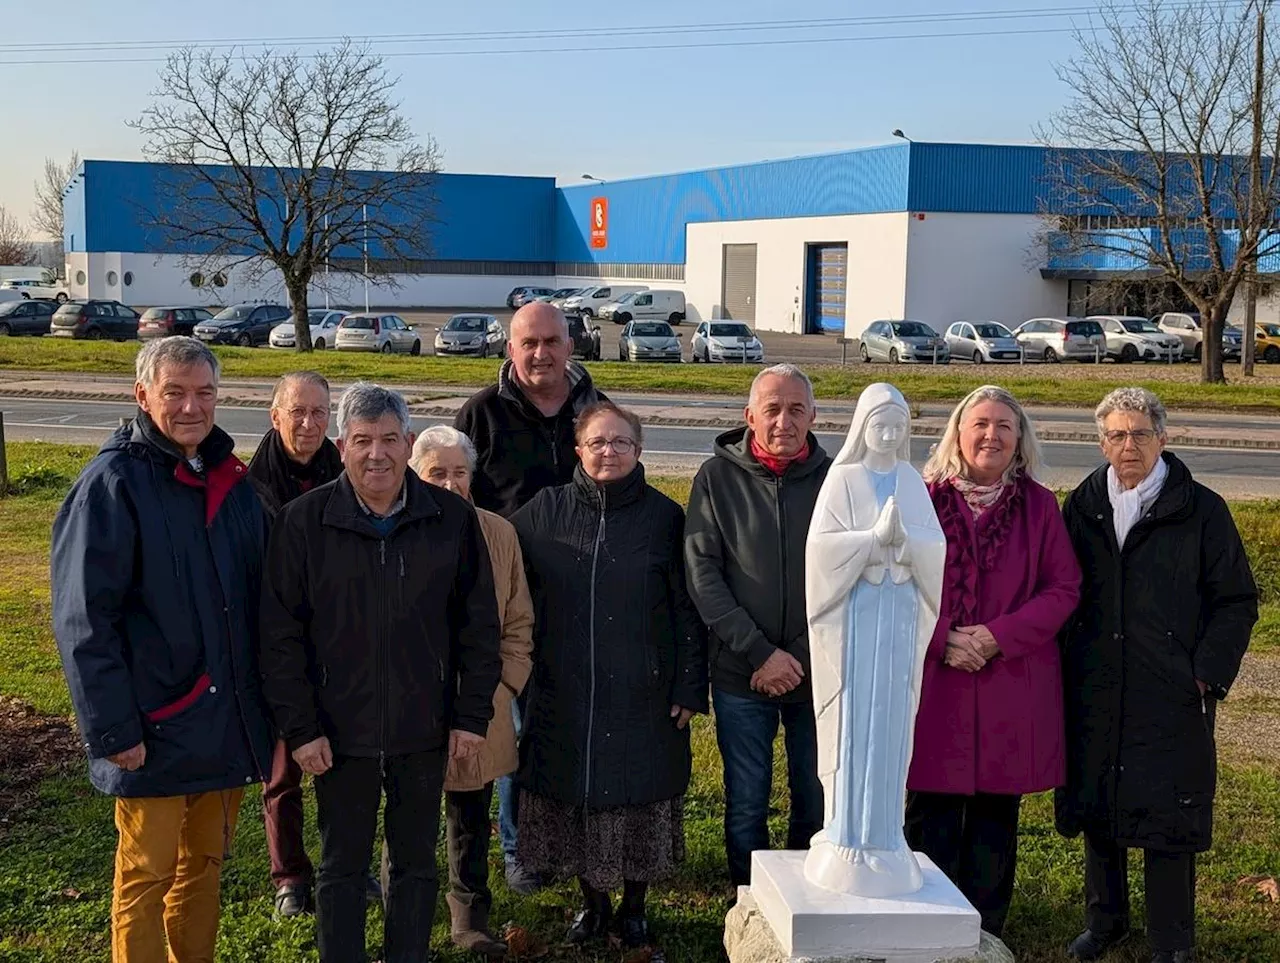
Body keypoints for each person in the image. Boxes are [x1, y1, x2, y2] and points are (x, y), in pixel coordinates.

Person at [260, 383, 502, 963]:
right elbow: (279, 637)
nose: (378, 455)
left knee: (416, 863)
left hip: (425, 727)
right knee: (342, 865)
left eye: (390, 440)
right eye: (363, 441)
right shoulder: (304, 522)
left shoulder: (450, 519)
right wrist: (301, 728)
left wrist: (470, 718)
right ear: (342, 446)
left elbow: (479, 626)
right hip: (337, 733)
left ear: (408, 442)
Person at [51, 336, 274, 963]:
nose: (190, 407)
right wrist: (114, 728)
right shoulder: (111, 485)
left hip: (220, 719)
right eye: (174, 392)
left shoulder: (229, 480)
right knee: (147, 876)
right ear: (142, 395)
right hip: (151, 725)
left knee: (202, 867)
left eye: (204, 393)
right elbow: (83, 622)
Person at [1058, 388, 1257, 963]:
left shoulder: (1201, 509)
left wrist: (1205, 676)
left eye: (1140, 434)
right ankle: (1106, 921)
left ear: (1163, 439)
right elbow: (1065, 590)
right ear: (1101, 442)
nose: (1128, 446)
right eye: (1116, 435)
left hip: (1170, 689)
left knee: (1168, 811)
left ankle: (1171, 940)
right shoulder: (1085, 504)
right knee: (1100, 802)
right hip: (1097, 683)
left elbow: (1236, 600)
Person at [510, 402, 707, 955]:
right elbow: (500, 575)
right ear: (578, 449)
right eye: (597, 442)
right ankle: (593, 907)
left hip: (644, 689)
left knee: (637, 799)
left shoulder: (666, 520)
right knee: (577, 798)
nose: (609, 451)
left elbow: (688, 609)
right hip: (562, 688)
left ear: (639, 452)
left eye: (621, 442)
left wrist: (691, 685)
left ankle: (635, 910)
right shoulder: (542, 513)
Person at [904, 385, 1082, 938]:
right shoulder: (922, 498)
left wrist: (997, 635)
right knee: (929, 809)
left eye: (1005, 426)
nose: (991, 435)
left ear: (1019, 440)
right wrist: (942, 639)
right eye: (980, 423)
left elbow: (1064, 587)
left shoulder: (1039, 505)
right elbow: (895, 586)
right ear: (958, 432)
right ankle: (926, 922)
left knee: (994, 817)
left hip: (1008, 679)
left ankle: (984, 930)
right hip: (939, 682)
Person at [454, 299, 607, 893]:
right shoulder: (481, 415)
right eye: (528, 343)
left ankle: (571, 841)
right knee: (511, 732)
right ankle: (520, 848)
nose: (540, 354)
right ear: (509, 349)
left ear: (571, 346)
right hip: (503, 605)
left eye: (551, 342)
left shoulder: (596, 412)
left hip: (584, 599)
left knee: (565, 730)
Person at [684, 363, 831, 887]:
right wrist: (760, 653)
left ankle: (806, 894)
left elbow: (848, 581)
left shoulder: (839, 481)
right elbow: (703, 575)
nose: (784, 421)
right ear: (749, 416)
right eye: (772, 409)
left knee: (815, 795)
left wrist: (800, 656)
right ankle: (749, 899)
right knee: (747, 797)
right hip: (740, 673)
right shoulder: (715, 478)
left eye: (796, 409)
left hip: (818, 674)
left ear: (814, 415)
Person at [407, 426, 534, 957]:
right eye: (438, 473)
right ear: (415, 473)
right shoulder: (396, 531)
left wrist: (503, 688)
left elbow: (519, 623)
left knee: (470, 815)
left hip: (480, 703)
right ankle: (407, 916)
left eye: (460, 472)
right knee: (408, 820)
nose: (452, 483)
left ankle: (469, 915)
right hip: (409, 706)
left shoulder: (498, 533)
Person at [245, 371, 352, 918]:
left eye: (319, 413)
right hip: (280, 647)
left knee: (345, 772)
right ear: (275, 415)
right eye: (298, 412)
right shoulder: (246, 487)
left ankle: (344, 868)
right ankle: (290, 875)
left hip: (339, 651)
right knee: (282, 775)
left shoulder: (350, 475)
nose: (309, 424)